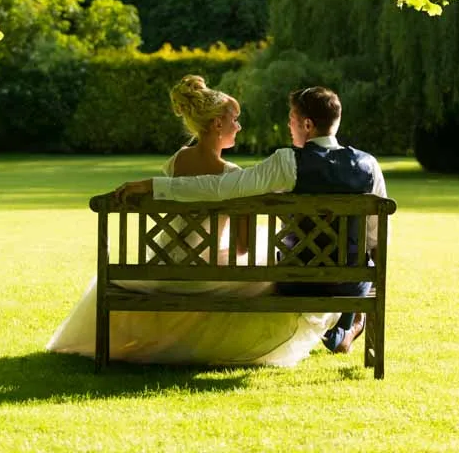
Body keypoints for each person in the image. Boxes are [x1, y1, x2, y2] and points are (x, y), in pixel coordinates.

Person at [47, 76, 339, 366]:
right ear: (217, 124)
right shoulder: (232, 175)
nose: (239, 126)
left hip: (161, 269)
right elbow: (240, 249)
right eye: (234, 120)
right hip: (205, 276)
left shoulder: (175, 163)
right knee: (267, 258)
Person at [116, 85, 390, 355]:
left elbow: (218, 188)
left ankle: (345, 324)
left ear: (307, 125)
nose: (288, 127)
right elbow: (377, 240)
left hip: (295, 281)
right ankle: (349, 321)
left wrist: (156, 186)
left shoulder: (286, 162)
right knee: (356, 261)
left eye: (291, 121)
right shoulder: (369, 166)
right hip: (350, 283)